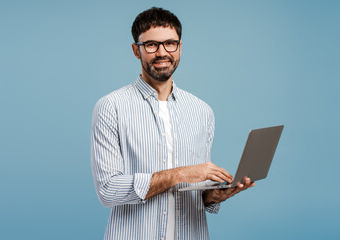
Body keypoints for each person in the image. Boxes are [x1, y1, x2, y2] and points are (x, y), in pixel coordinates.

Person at [91, 7, 255, 240]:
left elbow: (197, 192)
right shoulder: (111, 107)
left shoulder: (201, 111)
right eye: (151, 45)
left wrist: (214, 196)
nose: (162, 52)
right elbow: (108, 191)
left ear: (180, 48)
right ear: (136, 51)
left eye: (170, 43)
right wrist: (179, 173)